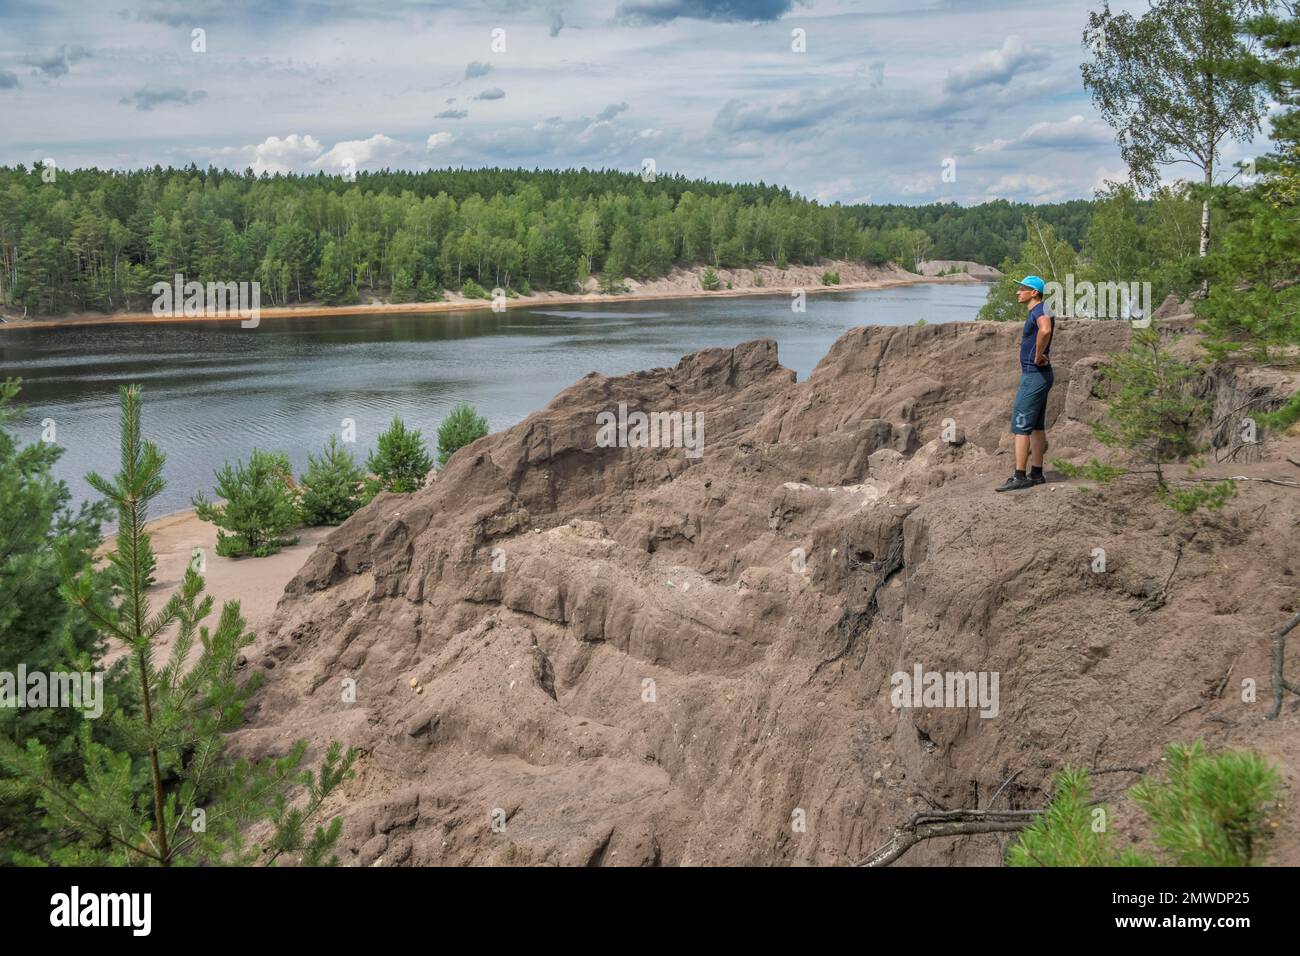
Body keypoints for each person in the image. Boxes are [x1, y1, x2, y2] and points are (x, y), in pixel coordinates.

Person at [996, 275, 1054, 492]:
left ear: (1034, 293)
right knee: (1037, 426)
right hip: (1042, 375)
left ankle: (1020, 476)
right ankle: (1037, 474)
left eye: (1022, 289)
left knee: (1020, 424)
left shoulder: (1039, 310)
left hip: (1034, 374)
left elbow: (1045, 330)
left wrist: (1038, 354)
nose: (1017, 292)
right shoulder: (1043, 308)